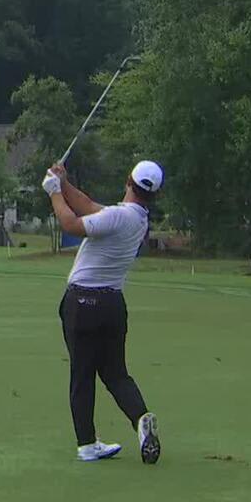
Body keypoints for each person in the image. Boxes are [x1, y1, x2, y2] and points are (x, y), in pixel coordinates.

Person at [43, 159, 164, 463]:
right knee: (115, 373)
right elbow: (89, 206)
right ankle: (140, 418)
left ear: (127, 181)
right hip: (112, 305)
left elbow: (71, 224)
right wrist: (64, 182)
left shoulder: (117, 217)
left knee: (82, 375)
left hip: (82, 302)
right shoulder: (136, 220)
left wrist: (54, 193)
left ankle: (87, 443)